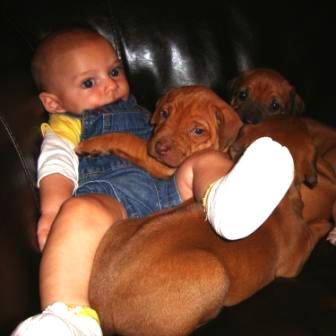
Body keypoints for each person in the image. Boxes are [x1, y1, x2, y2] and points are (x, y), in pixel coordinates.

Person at [12, 27, 294, 336]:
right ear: (54, 103)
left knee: (205, 162)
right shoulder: (66, 124)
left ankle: (224, 199)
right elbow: (56, 163)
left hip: (168, 191)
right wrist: (54, 209)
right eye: (89, 82)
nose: (109, 86)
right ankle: (67, 316)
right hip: (112, 200)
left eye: (115, 71)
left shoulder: (143, 109)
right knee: (78, 212)